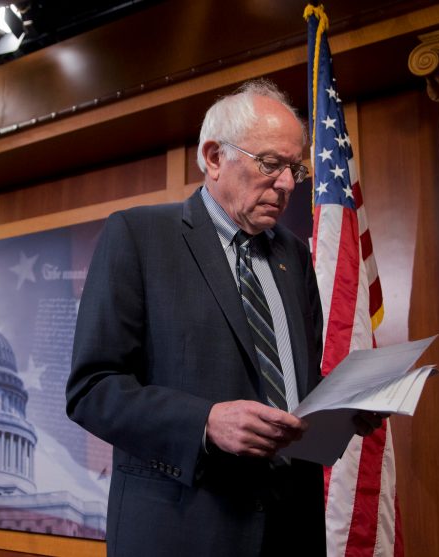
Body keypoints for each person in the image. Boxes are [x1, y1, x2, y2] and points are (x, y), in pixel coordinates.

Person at [66, 79, 383, 557]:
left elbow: (297, 385)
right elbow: (92, 389)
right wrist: (205, 421)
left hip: (291, 527)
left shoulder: (294, 256)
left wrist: (343, 405)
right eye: (271, 164)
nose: (287, 185)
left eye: (294, 169)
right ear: (214, 157)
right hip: (185, 529)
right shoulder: (138, 236)